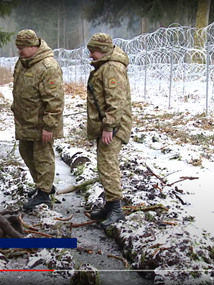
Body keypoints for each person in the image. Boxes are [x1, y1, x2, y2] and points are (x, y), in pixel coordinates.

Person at [11, 29, 64, 211]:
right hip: (25, 121)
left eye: (23, 47)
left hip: (42, 124)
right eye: (18, 47)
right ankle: (44, 185)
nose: (19, 51)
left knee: (42, 156)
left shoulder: (48, 67)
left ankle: (44, 194)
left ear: (34, 46)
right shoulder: (23, 62)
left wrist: (49, 126)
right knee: (26, 152)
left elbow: (55, 100)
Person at [86, 33, 132, 229]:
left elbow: (116, 101)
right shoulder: (106, 65)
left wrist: (109, 127)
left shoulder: (112, 68)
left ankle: (116, 209)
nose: (90, 55)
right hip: (108, 124)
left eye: (93, 51)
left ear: (102, 50)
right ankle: (109, 205)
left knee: (108, 165)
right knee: (104, 164)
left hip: (114, 127)